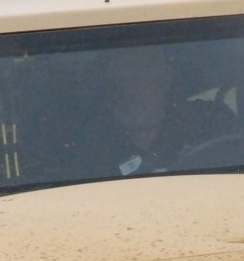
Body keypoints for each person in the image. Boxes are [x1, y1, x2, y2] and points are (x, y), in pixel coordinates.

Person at [92, 47, 225, 176]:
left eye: (136, 79)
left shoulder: (209, 120)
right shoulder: (95, 151)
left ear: (164, 78)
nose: (126, 92)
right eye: (117, 83)